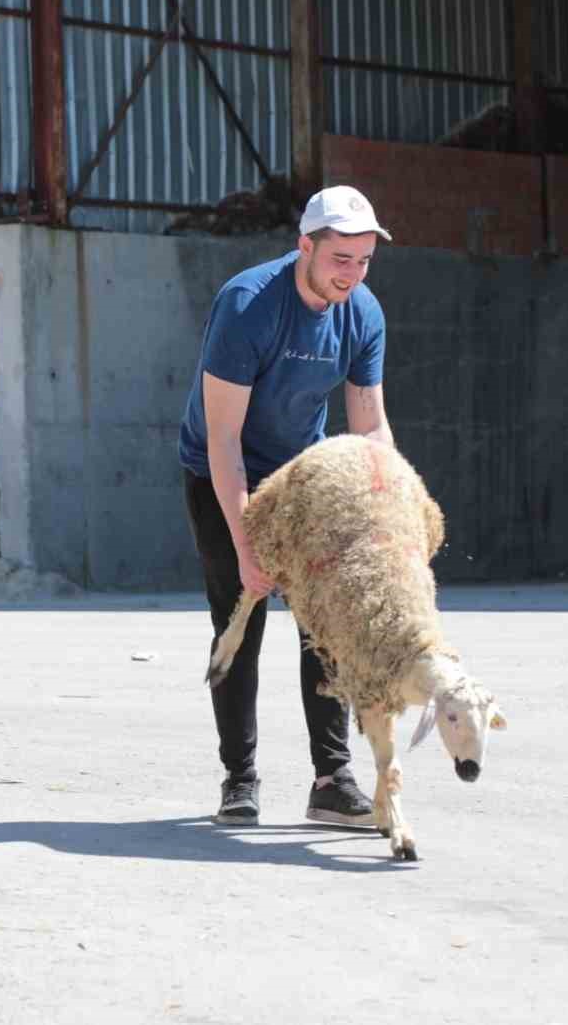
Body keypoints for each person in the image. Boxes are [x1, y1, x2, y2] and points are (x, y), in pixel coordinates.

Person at [178, 185, 396, 827]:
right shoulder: (249, 305)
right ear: (305, 246)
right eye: (340, 259)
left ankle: (331, 779)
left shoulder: (363, 313)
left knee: (325, 623)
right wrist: (247, 547)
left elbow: (370, 427)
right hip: (221, 467)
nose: (351, 274)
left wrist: (387, 510)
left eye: (362, 261)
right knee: (238, 623)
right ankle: (238, 779)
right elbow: (223, 441)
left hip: (304, 472)